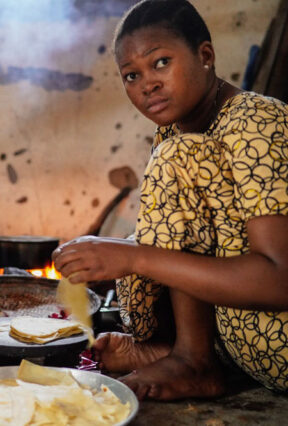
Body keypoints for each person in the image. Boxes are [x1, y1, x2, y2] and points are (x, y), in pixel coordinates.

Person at [53, 0, 288, 400]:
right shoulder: (174, 132)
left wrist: (134, 258)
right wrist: (107, 257)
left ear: (205, 56)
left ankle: (194, 361)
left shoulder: (256, 121)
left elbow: (281, 280)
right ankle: (184, 352)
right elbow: (206, 242)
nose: (147, 83)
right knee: (143, 237)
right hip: (242, 344)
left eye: (160, 62)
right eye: (131, 75)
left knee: (149, 228)